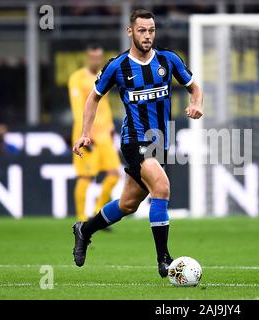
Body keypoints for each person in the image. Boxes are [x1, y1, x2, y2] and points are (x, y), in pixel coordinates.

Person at [71, 8, 203, 278]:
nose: (147, 35)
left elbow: (194, 87)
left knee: (129, 204)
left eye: (151, 30)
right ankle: (164, 259)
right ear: (130, 31)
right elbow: (93, 97)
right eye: (142, 30)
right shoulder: (117, 66)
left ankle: (84, 230)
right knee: (162, 187)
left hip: (160, 143)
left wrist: (196, 104)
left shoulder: (169, 60)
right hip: (133, 141)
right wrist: (86, 132)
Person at [68, 44, 121, 223]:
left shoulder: (103, 76)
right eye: (93, 57)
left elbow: (103, 105)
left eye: (99, 57)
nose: (96, 61)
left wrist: (111, 125)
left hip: (105, 134)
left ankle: (98, 214)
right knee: (86, 176)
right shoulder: (77, 78)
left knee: (114, 174)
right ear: (87, 57)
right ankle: (81, 219)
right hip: (87, 135)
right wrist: (85, 133)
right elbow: (77, 109)